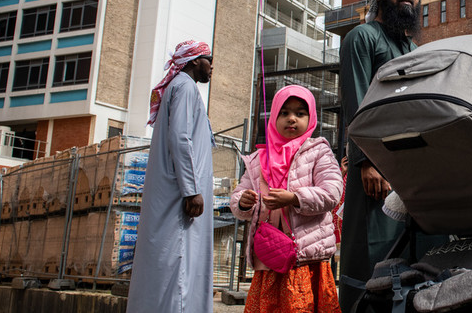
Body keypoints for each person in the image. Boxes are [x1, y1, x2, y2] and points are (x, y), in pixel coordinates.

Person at [338, 0, 427, 310]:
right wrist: (367, 162)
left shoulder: (414, 50)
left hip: (411, 171)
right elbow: (357, 102)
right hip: (375, 169)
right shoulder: (362, 37)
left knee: (412, 259)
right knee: (373, 259)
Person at [231, 85, 343, 312]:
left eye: (300, 113)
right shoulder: (258, 159)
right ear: (274, 117)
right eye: (284, 113)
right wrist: (243, 202)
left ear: (311, 118)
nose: (291, 119)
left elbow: (332, 192)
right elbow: (237, 197)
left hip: (305, 259)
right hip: (269, 257)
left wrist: (294, 198)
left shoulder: (318, 151)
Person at [128, 40, 215, 313]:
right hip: (179, 198)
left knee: (173, 265)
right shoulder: (185, 87)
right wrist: (191, 190)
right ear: (194, 61)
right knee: (178, 267)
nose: (212, 67)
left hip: (176, 193)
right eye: (209, 60)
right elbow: (180, 138)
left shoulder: (179, 87)